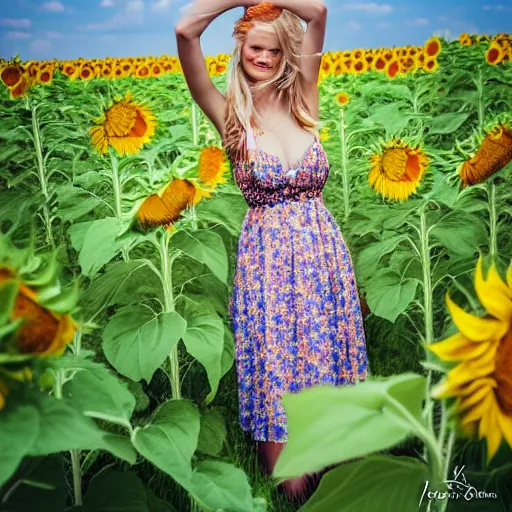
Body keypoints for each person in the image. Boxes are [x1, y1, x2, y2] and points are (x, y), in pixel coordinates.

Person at [175, 0, 369, 503]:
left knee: (325, 346)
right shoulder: (228, 113)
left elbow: (319, 12)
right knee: (276, 359)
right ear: (240, 48)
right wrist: (237, 2)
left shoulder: (305, 95)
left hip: (321, 251)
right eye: (253, 46)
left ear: (287, 53)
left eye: (273, 48)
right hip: (266, 260)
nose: (261, 56)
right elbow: (185, 30)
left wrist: (273, 3)